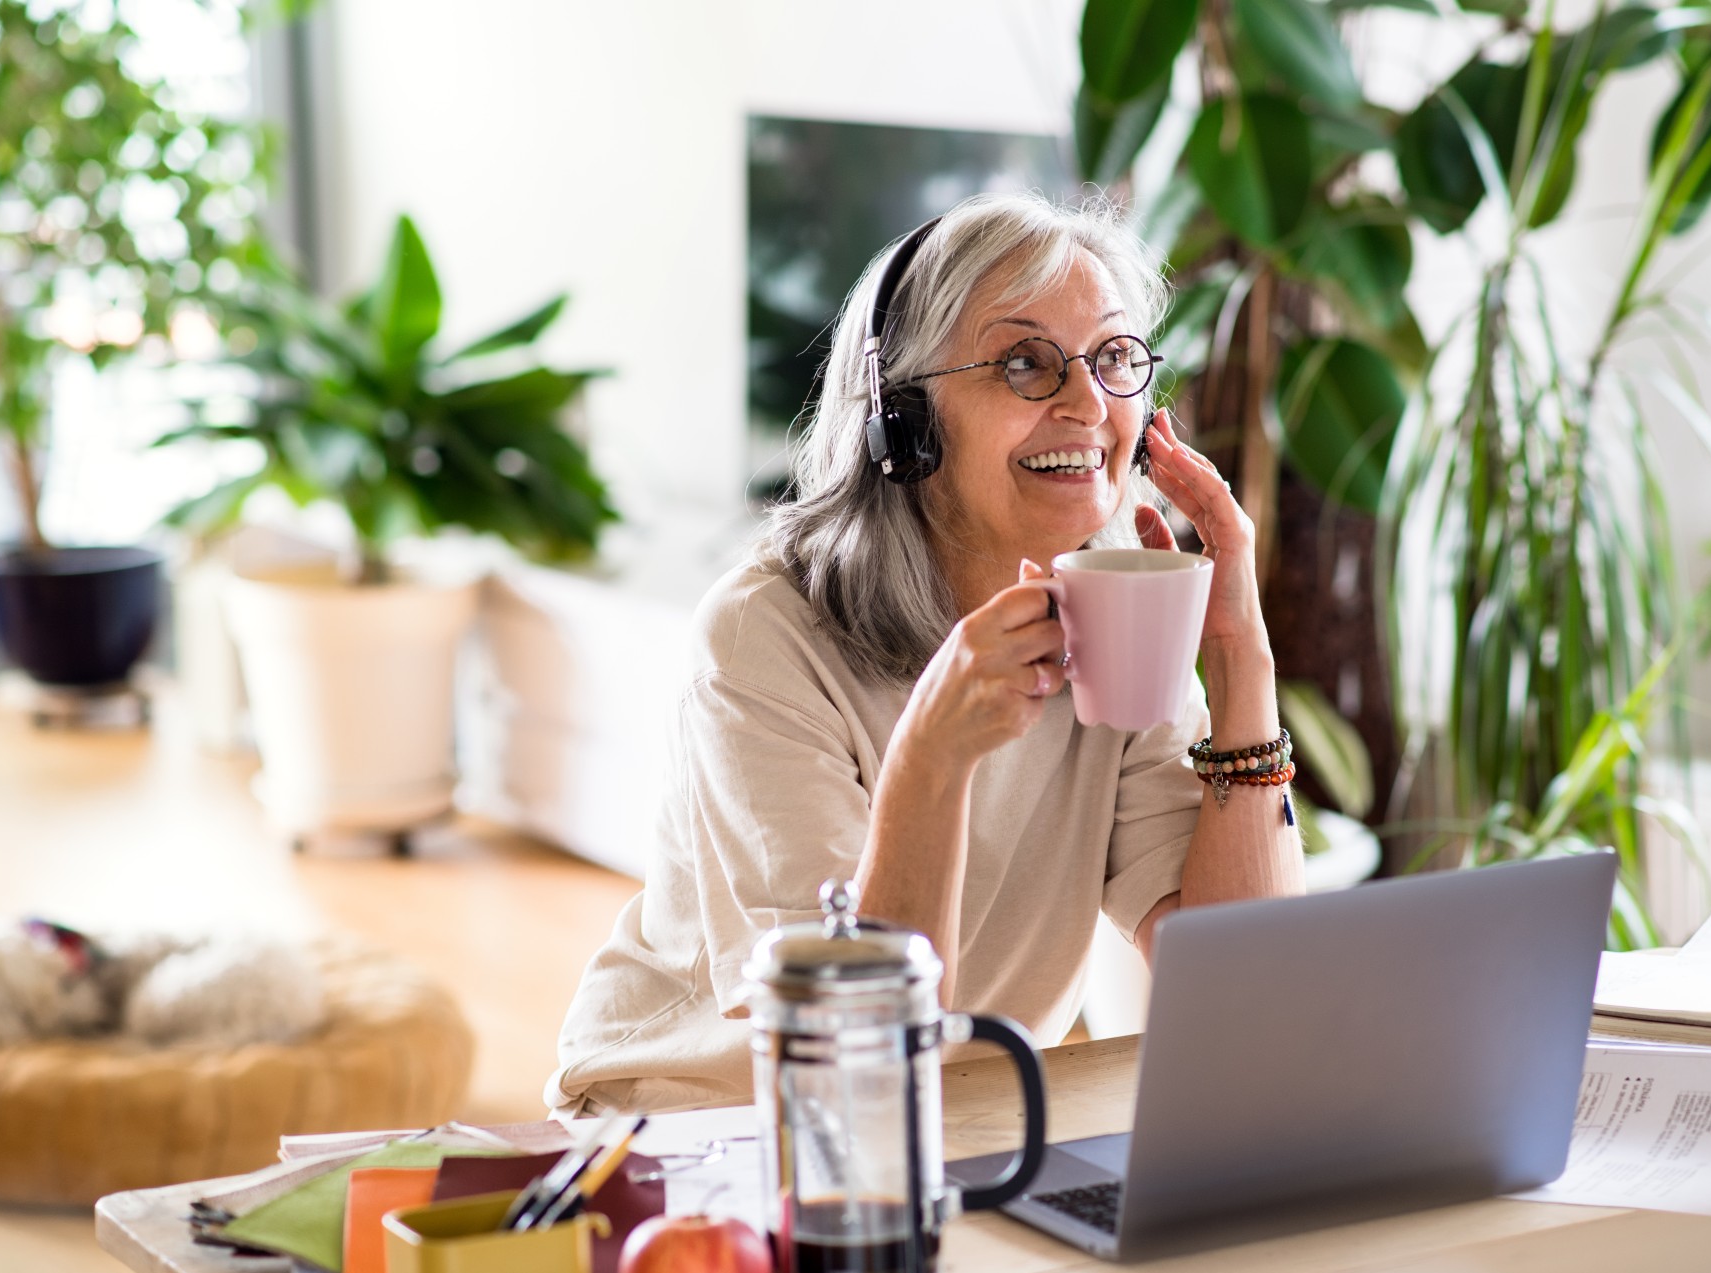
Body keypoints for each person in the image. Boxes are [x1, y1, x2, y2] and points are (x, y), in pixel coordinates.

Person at [546, 192, 1303, 1116]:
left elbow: (1233, 988)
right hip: (704, 1125)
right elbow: (844, 1052)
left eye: (1113, 358)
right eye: (1025, 362)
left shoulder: (1119, 602)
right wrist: (932, 756)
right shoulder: (762, 635)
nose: (1087, 403)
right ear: (900, 421)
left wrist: (1238, 656)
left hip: (950, 1122)